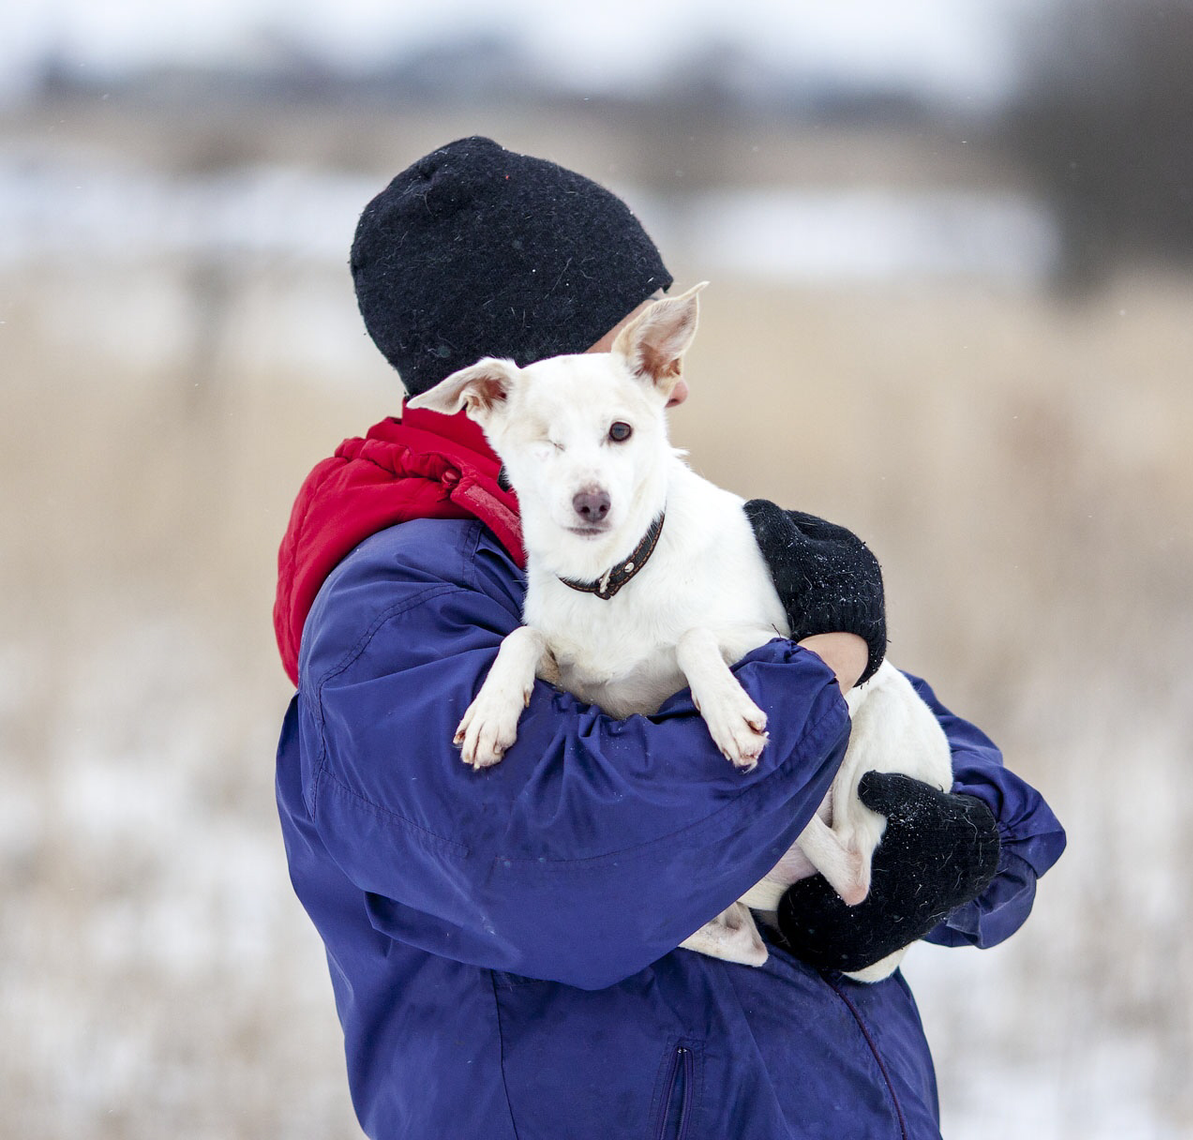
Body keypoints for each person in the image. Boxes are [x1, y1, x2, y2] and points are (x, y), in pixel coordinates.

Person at [273, 136, 1066, 1140]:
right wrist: (819, 665)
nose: (675, 383)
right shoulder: (395, 609)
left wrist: (945, 852)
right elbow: (569, 867)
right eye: (635, 344)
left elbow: (973, 792)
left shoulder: (656, 534)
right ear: (518, 379)